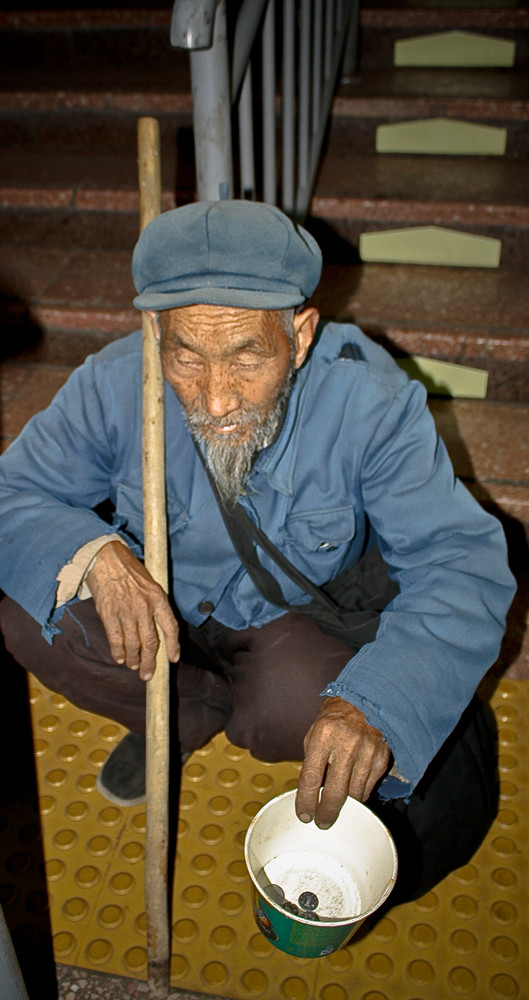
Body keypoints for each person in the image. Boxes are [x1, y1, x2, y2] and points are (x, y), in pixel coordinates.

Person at [0, 201, 515, 904]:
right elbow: (13, 492)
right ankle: (178, 721)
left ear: (299, 335)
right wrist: (89, 551)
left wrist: (373, 705)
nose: (214, 399)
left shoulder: (368, 400)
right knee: (32, 619)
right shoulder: (113, 382)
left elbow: (460, 559)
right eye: (185, 353)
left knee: (297, 707)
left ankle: (234, 705)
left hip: (284, 624)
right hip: (157, 606)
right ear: (156, 331)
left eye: (246, 356)